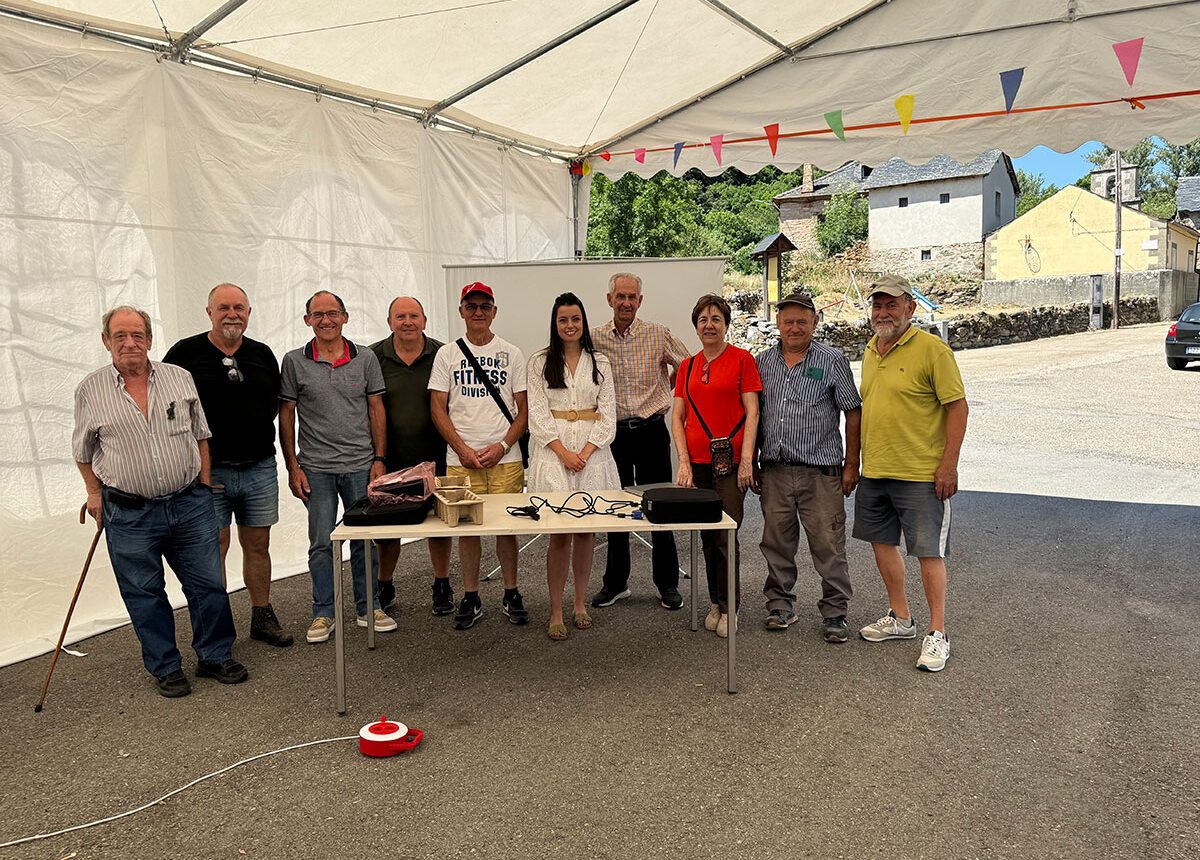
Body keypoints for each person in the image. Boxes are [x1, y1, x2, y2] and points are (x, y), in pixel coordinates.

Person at [73, 306, 246, 698]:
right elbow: (83, 451)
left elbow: (201, 435)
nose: (129, 343)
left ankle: (215, 655)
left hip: (189, 503)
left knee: (207, 584)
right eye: (120, 336)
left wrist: (204, 487)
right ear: (106, 341)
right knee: (144, 592)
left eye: (137, 335)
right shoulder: (90, 390)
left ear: (149, 340)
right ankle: (166, 666)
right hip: (129, 512)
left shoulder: (178, 378)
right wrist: (94, 493)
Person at [163, 283, 291, 647]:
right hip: (208, 472)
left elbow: (274, 405)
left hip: (259, 467)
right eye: (223, 308)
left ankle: (262, 616)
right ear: (209, 313)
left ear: (248, 313)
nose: (231, 314)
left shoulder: (262, 354)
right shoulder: (184, 354)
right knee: (213, 548)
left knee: (258, 544)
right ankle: (218, 627)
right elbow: (166, 408)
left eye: (238, 308)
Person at [853, 274, 968, 673]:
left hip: (921, 473)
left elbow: (957, 407)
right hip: (876, 470)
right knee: (881, 544)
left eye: (892, 304)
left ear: (910, 307)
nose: (883, 312)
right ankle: (901, 618)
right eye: (877, 305)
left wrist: (948, 464)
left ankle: (938, 633)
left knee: (929, 552)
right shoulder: (871, 349)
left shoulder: (933, 350)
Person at [279, 290, 396, 644]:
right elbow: (286, 416)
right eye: (318, 314)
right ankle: (323, 612)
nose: (326, 320)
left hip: (361, 465)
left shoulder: (366, 358)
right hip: (316, 469)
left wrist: (379, 460)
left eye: (332, 313)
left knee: (364, 541)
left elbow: (376, 409)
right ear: (307, 320)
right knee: (320, 543)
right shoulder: (294, 361)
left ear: (345, 317)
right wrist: (292, 466)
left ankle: (369, 607)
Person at [753, 292, 862, 643]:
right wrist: (751, 461)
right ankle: (779, 605)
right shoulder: (762, 363)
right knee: (776, 543)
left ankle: (835, 612)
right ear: (778, 324)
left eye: (802, 321)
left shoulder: (832, 360)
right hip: (775, 471)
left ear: (815, 322)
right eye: (788, 321)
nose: (795, 328)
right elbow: (753, 415)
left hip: (821, 473)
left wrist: (852, 464)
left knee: (829, 544)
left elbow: (853, 411)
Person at [429, 282, 530, 630]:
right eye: (471, 306)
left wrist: (502, 446)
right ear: (461, 311)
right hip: (461, 461)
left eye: (484, 306)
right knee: (467, 531)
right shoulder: (447, 355)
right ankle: (470, 596)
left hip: (506, 460)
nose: (478, 312)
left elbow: (524, 410)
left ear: (494, 312)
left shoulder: (512, 353)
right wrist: (462, 450)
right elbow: (437, 408)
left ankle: (511, 592)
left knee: (507, 529)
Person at [590, 272, 691, 611]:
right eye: (620, 296)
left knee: (660, 506)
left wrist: (666, 389)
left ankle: (667, 584)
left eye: (632, 297)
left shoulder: (657, 333)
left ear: (640, 301)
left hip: (651, 431)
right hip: (613, 436)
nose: (626, 303)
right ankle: (616, 583)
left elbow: (688, 366)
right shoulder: (595, 338)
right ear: (609, 299)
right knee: (617, 509)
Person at [526, 293, 621, 640]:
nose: (570, 325)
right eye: (563, 319)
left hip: (592, 457)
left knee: (586, 532)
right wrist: (563, 452)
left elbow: (608, 413)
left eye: (575, 319)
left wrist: (587, 450)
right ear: (555, 323)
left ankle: (580, 603)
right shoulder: (539, 362)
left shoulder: (600, 362)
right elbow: (537, 414)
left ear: (584, 322)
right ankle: (556, 610)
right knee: (559, 533)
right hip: (553, 456)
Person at [672, 294, 761, 638]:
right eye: (703, 320)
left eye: (715, 319)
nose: (709, 325)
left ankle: (730, 606)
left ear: (726, 324)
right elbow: (678, 417)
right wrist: (683, 462)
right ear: (696, 326)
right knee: (707, 536)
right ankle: (715, 602)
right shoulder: (687, 366)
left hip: (731, 463)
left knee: (727, 535)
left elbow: (752, 412)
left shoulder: (742, 360)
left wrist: (747, 461)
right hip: (697, 463)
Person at [369, 296, 454, 616]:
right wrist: (375, 457)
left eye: (414, 316)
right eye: (400, 316)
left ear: (425, 320)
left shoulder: (442, 354)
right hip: (389, 457)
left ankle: (442, 584)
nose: (407, 322)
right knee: (387, 530)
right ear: (389, 322)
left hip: (437, 456)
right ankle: (384, 584)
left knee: (439, 524)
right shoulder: (373, 357)